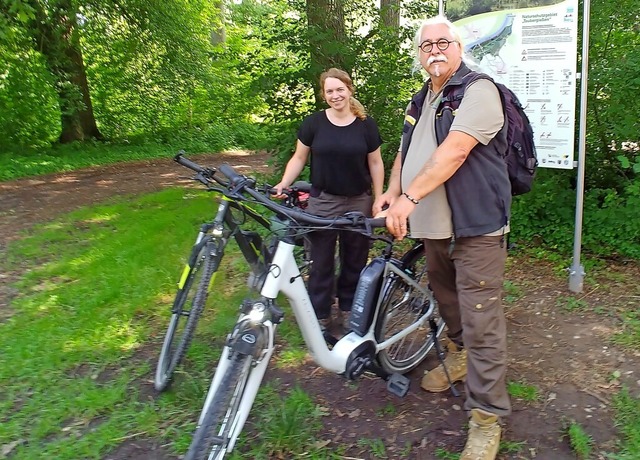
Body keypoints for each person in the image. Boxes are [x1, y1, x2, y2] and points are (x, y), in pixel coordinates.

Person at [373, 16, 511, 460]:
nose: (434, 49)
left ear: (458, 46)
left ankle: (487, 418)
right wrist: (392, 192)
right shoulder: (421, 97)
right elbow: (405, 151)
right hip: (433, 226)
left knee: (481, 318)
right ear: (419, 54)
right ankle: (459, 355)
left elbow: (454, 151)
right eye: (426, 44)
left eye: (443, 42)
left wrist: (409, 197)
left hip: (476, 226)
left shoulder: (479, 90)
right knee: (446, 298)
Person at [275, 68, 384, 333]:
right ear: (324, 95)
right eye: (330, 91)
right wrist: (284, 183)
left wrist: (379, 198)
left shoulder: (366, 125)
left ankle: (348, 310)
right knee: (321, 260)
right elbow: (299, 158)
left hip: (359, 201)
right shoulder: (313, 124)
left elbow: (376, 162)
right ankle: (320, 315)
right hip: (323, 201)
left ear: (349, 90)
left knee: (354, 260)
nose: (335, 95)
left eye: (340, 89)